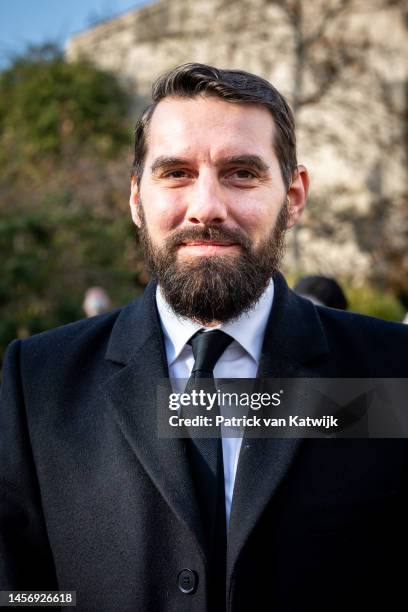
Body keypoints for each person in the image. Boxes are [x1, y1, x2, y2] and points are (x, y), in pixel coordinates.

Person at [1, 63, 407, 612]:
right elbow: (20, 588)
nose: (207, 207)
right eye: (175, 173)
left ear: (293, 195)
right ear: (135, 199)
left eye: (242, 173)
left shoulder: (390, 372)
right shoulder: (39, 382)